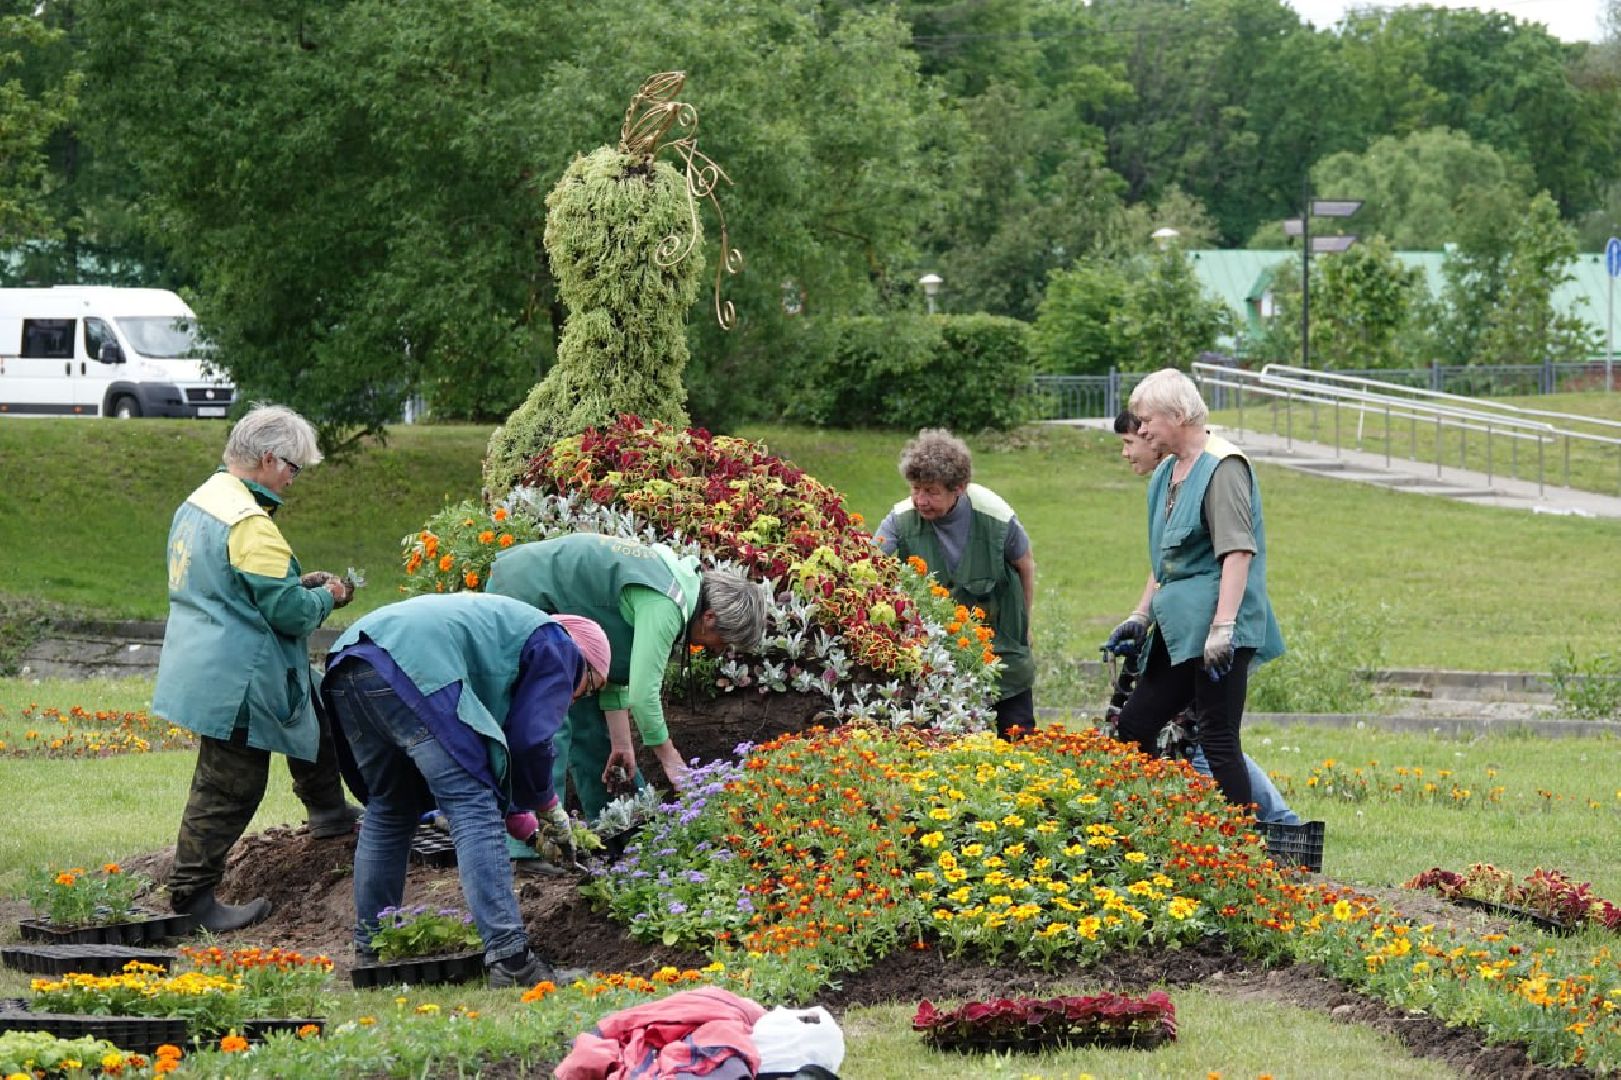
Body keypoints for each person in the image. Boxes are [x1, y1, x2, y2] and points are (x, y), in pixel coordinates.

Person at [322, 591, 612, 987]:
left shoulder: (508, 644)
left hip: (351, 658)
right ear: (587, 664)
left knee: (392, 807)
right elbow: (528, 742)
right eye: (590, 688)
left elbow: (481, 756)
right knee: (473, 807)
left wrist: (528, 828)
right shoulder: (559, 646)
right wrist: (549, 807)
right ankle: (511, 960)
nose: (577, 698)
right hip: (407, 663)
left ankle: (373, 949)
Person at [154, 404, 362, 933]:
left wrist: (298, 587)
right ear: (269, 458)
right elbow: (288, 614)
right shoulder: (250, 522)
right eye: (293, 467)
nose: (294, 479)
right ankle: (192, 897)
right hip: (237, 677)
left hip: (203, 657)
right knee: (229, 785)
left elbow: (232, 584)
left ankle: (329, 812)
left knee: (315, 704)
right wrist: (328, 597)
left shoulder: (201, 501)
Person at [485, 532, 769, 819]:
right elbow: (643, 695)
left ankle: (613, 827)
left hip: (544, 599)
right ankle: (531, 842)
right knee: (547, 721)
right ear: (710, 618)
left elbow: (612, 663)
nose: (719, 650)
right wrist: (671, 760)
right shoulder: (665, 605)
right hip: (523, 594)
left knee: (590, 717)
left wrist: (622, 743)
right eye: (724, 641)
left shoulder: (673, 587)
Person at [1105, 371, 1285, 809]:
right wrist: (1140, 614)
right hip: (1178, 627)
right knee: (1133, 727)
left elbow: (1238, 553)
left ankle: (1243, 850)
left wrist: (1224, 628)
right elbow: (1166, 559)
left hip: (1216, 631)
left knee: (1219, 738)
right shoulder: (1168, 471)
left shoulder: (1223, 467)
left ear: (1179, 414)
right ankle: (1155, 827)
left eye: (1147, 419)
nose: (1141, 428)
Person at [873, 429, 1036, 739]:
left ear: (958, 488)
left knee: (1018, 736)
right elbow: (870, 566)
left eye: (931, 491)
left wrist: (1025, 623)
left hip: (999, 643)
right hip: (934, 654)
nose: (921, 500)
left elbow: (1025, 563)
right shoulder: (900, 519)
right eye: (916, 489)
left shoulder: (995, 516)